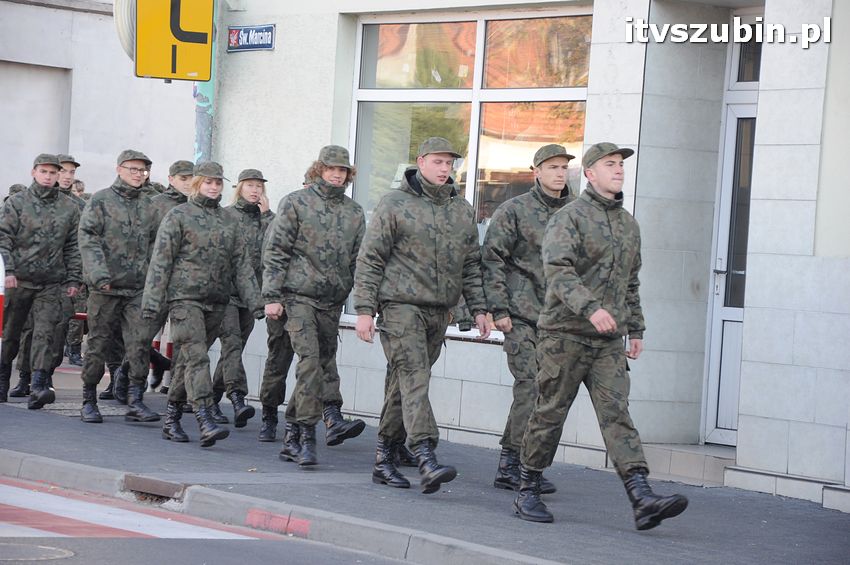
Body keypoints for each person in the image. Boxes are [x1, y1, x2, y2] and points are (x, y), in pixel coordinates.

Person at [513, 142, 689, 529]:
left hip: (608, 341)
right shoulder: (570, 217)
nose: (619, 170)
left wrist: (636, 327)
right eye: (610, 164)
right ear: (590, 174)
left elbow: (630, 283)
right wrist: (591, 309)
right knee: (550, 412)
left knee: (617, 414)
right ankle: (527, 486)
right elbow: (558, 271)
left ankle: (641, 496)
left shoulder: (628, 224)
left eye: (621, 165)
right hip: (565, 335)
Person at [353, 137, 489, 494]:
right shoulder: (395, 204)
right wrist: (365, 309)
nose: (445, 170)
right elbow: (371, 259)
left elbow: (471, 264)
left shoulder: (460, 209)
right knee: (414, 376)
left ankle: (384, 457)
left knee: (405, 382)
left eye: (450, 164)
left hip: (438, 312)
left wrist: (478, 309)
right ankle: (426, 453)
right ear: (421, 162)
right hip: (400, 308)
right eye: (439, 162)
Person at [142, 161, 262, 447]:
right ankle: (204, 416)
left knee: (186, 361)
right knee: (198, 358)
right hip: (185, 300)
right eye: (208, 181)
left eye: (218, 182)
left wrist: (256, 302)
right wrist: (152, 304)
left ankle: (171, 418)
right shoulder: (178, 215)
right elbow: (161, 262)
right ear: (197, 183)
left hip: (217, 301)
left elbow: (241, 266)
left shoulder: (228, 220)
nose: (213, 186)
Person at [263, 145, 366, 467]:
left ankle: (292, 435)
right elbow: (276, 250)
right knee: (308, 362)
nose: (337, 174)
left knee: (321, 365)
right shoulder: (296, 202)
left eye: (343, 170)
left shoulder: (354, 212)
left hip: (331, 302)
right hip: (297, 297)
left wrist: (361, 301)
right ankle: (307, 435)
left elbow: (359, 261)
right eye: (331, 168)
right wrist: (272, 296)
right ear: (319, 169)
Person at [482, 144, 575, 495]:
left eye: (564, 167)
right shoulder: (515, 211)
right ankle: (513, 464)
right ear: (536, 171)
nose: (559, 173)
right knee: (530, 386)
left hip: (560, 320)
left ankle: (520, 462)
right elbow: (492, 259)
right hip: (520, 315)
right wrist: (499, 309)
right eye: (552, 167)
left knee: (549, 394)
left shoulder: (576, 212)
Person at [77, 150, 160, 424]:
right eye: (133, 169)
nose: (138, 174)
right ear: (119, 169)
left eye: (143, 170)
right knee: (98, 343)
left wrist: (152, 278)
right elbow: (88, 238)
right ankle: (89, 399)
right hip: (105, 287)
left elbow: (155, 245)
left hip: (137, 288)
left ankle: (135, 399)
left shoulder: (150, 205)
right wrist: (99, 274)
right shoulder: (101, 200)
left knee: (139, 343)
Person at [0, 154, 82, 407]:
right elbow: (4, 237)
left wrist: (73, 278)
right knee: (12, 333)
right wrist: (9, 271)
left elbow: (73, 246)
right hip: (19, 280)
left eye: (53, 173)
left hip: (51, 282)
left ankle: (38, 385)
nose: (49, 177)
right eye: (44, 172)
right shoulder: (17, 203)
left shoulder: (68, 207)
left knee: (45, 333)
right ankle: (2, 381)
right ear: (34, 172)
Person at [210, 168, 274, 428]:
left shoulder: (267, 219)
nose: (255, 190)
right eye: (250, 185)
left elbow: (276, 245)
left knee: (231, 351)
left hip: (252, 297)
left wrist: (268, 216)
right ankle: (237, 397)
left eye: (259, 185)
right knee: (232, 344)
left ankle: (211, 400)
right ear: (239, 188)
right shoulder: (225, 215)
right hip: (226, 295)